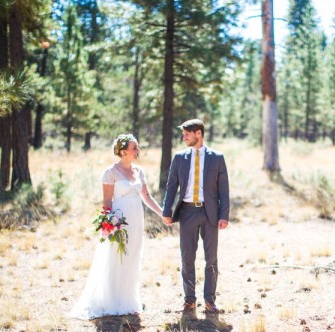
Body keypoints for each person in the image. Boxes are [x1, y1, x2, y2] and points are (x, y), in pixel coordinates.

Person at [69, 134, 163, 320]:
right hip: (119, 220)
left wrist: (163, 214)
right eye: (134, 147)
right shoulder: (110, 172)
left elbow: (147, 197)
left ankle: (128, 301)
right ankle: (112, 301)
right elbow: (107, 201)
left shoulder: (139, 171)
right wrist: (108, 224)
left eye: (137, 147)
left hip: (136, 219)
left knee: (133, 256)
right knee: (117, 257)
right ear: (123, 151)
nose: (138, 150)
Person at [162, 119, 229, 313]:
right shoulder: (179, 158)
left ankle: (210, 300)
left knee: (211, 259)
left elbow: (223, 190)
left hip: (210, 214)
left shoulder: (217, 157)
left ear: (198, 133)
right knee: (187, 257)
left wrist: (224, 215)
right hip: (188, 212)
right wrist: (167, 212)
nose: (184, 138)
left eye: (187, 134)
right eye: (183, 134)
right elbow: (171, 186)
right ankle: (189, 299)